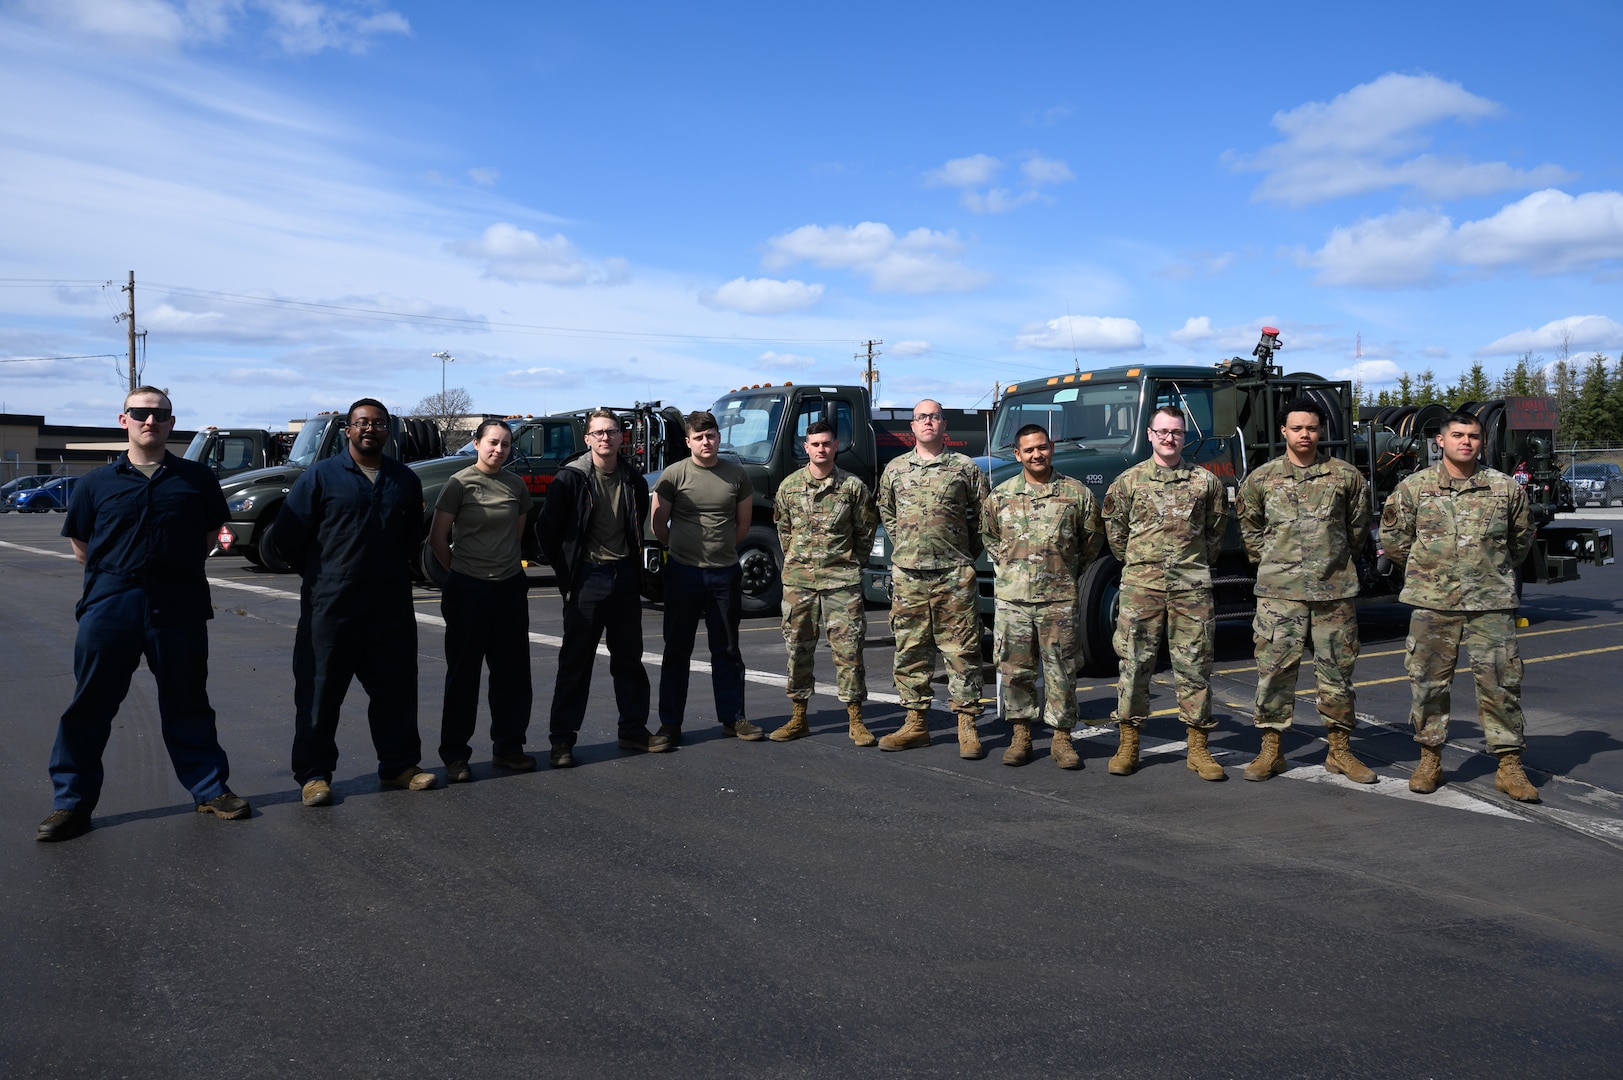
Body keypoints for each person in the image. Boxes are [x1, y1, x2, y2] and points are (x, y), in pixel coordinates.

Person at [38, 387, 246, 841]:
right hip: (111, 605)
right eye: (140, 413)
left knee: (188, 701)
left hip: (179, 605)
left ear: (171, 422)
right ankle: (70, 804)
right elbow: (82, 547)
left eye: (159, 414)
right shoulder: (96, 483)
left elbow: (210, 534)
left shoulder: (196, 479)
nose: (149, 421)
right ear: (123, 419)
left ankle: (210, 790)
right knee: (89, 706)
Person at [277, 398, 436, 806]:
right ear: (348, 430)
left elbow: (411, 537)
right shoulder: (320, 477)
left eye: (379, 423)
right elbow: (288, 538)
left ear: (389, 431)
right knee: (319, 691)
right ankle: (314, 776)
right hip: (330, 606)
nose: (370, 429)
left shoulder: (404, 480)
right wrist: (324, 577)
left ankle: (399, 766)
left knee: (396, 689)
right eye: (362, 423)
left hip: (389, 604)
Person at [1380, 410, 1540, 802]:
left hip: (1491, 603)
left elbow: (1520, 542)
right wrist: (1431, 573)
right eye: (1457, 435)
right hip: (1433, 602)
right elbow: (1395, 540)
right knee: (1428, 683)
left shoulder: (1505, 489)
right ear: (1440, 440)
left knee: (1501, 684)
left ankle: (1509, 766)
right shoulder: (1413, 488)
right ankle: (1429, 759)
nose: (1465, 442)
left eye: (1472, 435)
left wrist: (1489, 574)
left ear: (1481, 441)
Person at [1235, 397, 1377, 783]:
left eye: (1311, 428)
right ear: (1284, 431)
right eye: (1296, 428)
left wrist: (1331, 561)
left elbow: (1357, 529)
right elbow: (1251, 531)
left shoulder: (1346, 477)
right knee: (1274, 674)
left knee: (1337, 676)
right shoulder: (1261, 480)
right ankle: (1271, 751)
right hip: (1279, 595)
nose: (1304, 434)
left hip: (1333, 594)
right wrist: (1277, 564)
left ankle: (1340, 751)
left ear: (1320, 431)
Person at [1101, 405, 1229, 780]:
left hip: (1191, 589)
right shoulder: (1128, 482)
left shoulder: (1206, 483)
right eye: (1162, 432)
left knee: (1194, 668)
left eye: (1176, 432)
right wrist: (1144, 567)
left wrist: (1186, 568)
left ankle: (1198, 748)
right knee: (1134, 665)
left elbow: (1214, 534)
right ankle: (1128, 742)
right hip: (1142, 589)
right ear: (1150, 435)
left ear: (1184, 437)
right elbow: (1117, 537)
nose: (1169, 438)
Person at [540, 409, 669, 766]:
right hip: (587, 578)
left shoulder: (633, 480)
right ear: (587, 439)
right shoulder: (571, 479)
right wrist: (569, 574)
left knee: (629, 660)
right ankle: (562, 741)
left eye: (611, 432)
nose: (605, 438)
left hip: (624, 576)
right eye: (598, 433)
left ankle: (633, 730)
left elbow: (635, 524)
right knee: (575, 663)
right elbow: (547, 531)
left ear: (621, 437)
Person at [982, 424, 1105, 768]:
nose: (1037, 455)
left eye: (1042, 448)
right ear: (1017, 455)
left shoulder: (1076, 494)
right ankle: (1021, 735)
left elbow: (1091, 541)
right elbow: (990, 538)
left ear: (1051, 448)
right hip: (1013, 601)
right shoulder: (1000, 496)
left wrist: (1065, 570)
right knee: (1014, 671)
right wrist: (1012, 569)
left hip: (1058, 600)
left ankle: (1062, 739)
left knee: (1062, 671)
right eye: (1029, 450)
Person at [876, 398, 991, 756]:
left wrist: (961, 554)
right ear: (912, 427)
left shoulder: (964, 468)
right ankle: (915, 723)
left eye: (935, 416)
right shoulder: (895, 469)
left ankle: (967, 725)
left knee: (962, 651)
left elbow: (983, 517)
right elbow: (888, 513)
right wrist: (910, 548)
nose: (928, 422)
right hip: (909, 575)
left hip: (954, 575)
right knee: (910, 650)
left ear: (944, 426)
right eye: (921, 417)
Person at [429, 419, 536, 782]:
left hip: (508, 589)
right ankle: (456, 755)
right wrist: (459, 573)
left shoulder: (515, 485)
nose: (499, 450)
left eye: (506, 445)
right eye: (492, 442)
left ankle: (509, 748)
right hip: (468, 590)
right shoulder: (459, 483)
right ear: (476, 443)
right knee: (464, 675)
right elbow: (439, 539)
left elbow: (515, 535)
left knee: (512, 675)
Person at [650, 410, 760, 742]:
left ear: (718, 437)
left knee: (727, 648)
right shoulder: (674, 475)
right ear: (688, 442)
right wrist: (682, 550)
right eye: (698, 437)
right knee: (676, 649)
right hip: (684, 573)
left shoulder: (736, 475)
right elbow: (659, 524)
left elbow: (742, 526)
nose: (706, 442)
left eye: (710, 435)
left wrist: (720, 551)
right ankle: (670, 724)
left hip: (724, 573)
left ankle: (733, 718)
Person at [769, 419, 880, 745]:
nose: (821, 449)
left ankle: (855, 720)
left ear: (835, 446)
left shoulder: (852, 488)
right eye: (815, 444)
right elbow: (784, 532)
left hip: (840, 584)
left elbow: (865, 533)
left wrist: (846, 566)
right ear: (806, 447)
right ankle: (798, 717)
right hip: (799, 584)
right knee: (798, 651)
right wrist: (799, 565)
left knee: (849, 653)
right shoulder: (789, 487)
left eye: (826, 443)